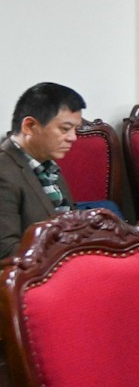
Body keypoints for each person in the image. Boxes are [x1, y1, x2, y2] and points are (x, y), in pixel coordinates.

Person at [0, 82, 86, 257]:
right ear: (29, 126)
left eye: (75, 129)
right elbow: (6, 251)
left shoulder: (47, 165)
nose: (73, 138)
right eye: (65, 129)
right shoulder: (4, 172)